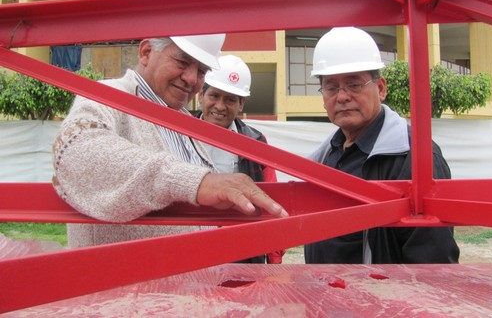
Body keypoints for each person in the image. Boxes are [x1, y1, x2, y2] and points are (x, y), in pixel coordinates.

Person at [52, 34, 288, 249]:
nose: (191, 79)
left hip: (184, 291)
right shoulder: (106, 98)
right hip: (124, 293)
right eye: (183, 62)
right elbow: (76, 152)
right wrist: (195, 182)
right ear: (146, 53)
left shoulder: (184, 124)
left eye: (202, 71)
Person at [304, 27, 459, 264]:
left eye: (354, 84)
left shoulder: (414, 157)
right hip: (325, 296)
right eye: (331, 87)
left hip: (380, 300)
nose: (342, 96)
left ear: (381, 88)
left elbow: (432, 262)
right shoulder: (326, 155)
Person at [196, 54, 285, 264]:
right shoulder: (179, 135)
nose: (220, 105)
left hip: (243, 250)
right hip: (191, 245)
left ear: (241, 104)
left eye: (230, 99)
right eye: (214, 96)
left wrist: (274, 260)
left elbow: (271, 198)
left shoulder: (256, 143)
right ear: (201, 96)